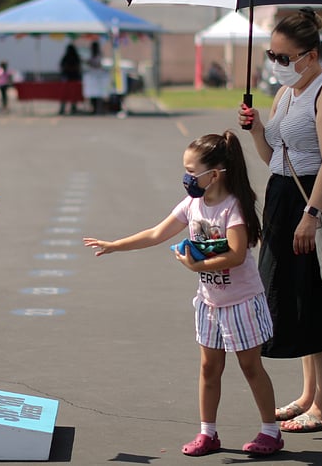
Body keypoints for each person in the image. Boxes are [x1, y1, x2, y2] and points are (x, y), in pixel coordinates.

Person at [83, 130, 283, 457]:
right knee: (208, 369)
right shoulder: (193, 204)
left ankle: (270, 431)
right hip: (209, 304)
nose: (186, 178)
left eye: (192, 172)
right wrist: (114, 245)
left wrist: (194, 267)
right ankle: (208, 433)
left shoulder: (232, 208)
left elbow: (235, 254)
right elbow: (157, 232)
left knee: (251, 367)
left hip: (241, 303)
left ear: (214, 174)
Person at [237, 7, 322, 433]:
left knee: (320, 304)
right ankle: (308, 395)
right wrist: (258, 129)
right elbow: (274, 157)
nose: (276, 64)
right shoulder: (287, 93)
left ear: (310, 55)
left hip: (312, 203)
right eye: (272, 55)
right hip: (283, 199)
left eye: (283, 56)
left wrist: (311, 214)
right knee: (296, 303)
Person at [58, 44, 82, 115]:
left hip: (68, 78)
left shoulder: (66, 57)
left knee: (65, 94)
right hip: (73, 78)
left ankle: (63, 108)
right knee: (72, 94)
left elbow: (61, 66)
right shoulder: (75, 57)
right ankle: (73, 107)